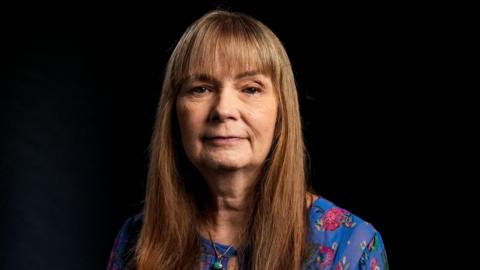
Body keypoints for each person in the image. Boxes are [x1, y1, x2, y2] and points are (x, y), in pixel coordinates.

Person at [107, 10, 388, 270]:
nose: (224, 110)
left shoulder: (350, 246)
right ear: (174, 114)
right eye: (201, 89)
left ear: (282, 112)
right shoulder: (136, 239)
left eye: (251, 89)